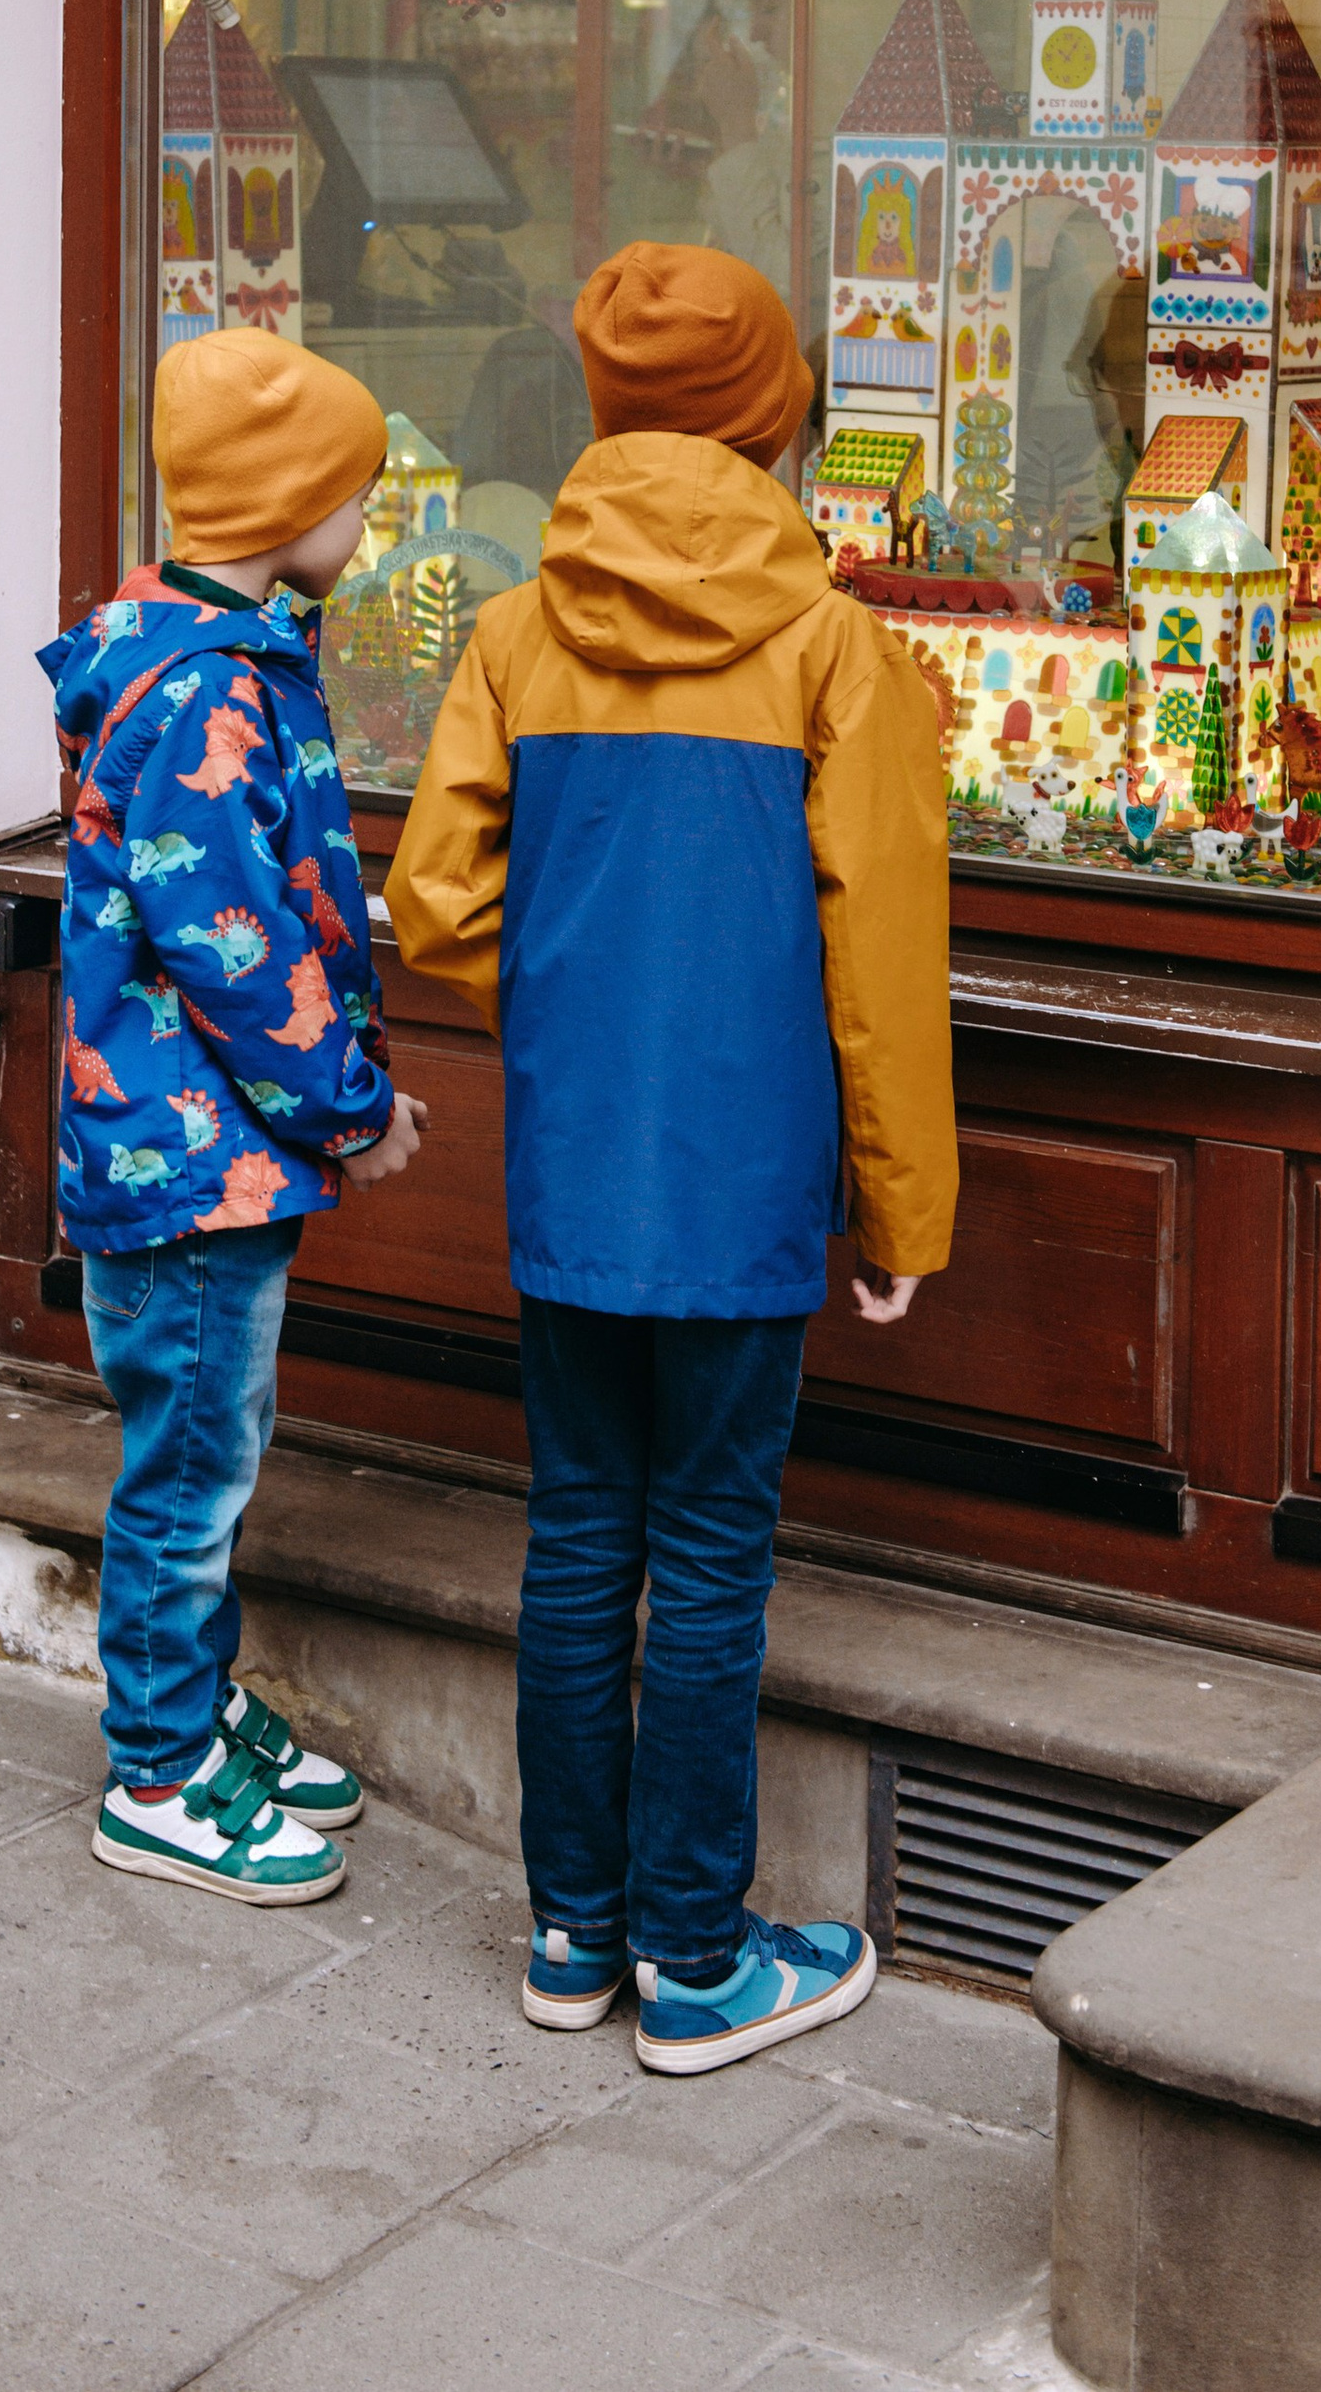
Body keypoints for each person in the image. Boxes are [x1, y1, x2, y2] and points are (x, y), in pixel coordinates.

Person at [389, 242, 956, 2073]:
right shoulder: (834, 654)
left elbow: (435, 905)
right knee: (709, 1552)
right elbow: (880, 968)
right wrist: (903, 1205)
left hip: (571, 1174)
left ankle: (576, 1936)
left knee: (578, 1537)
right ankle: (701, 1963)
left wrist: (572, 988)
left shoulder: (511, 634)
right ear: (777, 419)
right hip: (742, 1182)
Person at [42, 328, 425, 1906]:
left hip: (209, 1148)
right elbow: (233, 944)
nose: (369, 525)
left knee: (216, 1439)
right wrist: (351, 1109)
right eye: (358, 496)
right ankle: (159, 1769)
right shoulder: (200, 688)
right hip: (193, 1158)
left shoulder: (215, 647)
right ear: (290, 506)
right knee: (190, 1464)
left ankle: (197, 1712)